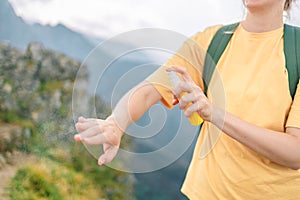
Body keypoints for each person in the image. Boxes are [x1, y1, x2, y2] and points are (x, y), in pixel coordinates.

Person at [74, 0, 300, 199]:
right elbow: (149, 90)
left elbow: (295, 152)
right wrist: (117, 122)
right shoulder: (211, 41)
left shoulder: (296, 51)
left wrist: (215, 114)